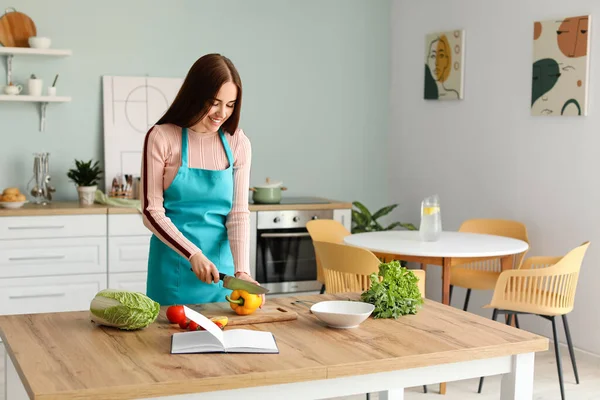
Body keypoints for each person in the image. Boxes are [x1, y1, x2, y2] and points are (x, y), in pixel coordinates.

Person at [141, 53, 263, 307]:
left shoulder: (237, 142)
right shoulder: (162, 137)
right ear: (194, 96)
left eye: (230, 104)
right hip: (172, 271)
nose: (222, 113)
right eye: (214, 102)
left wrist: (242, 271)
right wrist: (192, 253)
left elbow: (238, 213)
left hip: (221, 277)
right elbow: (151, 212)